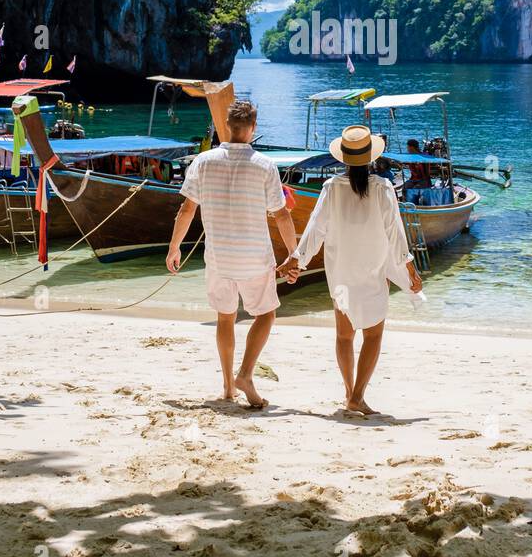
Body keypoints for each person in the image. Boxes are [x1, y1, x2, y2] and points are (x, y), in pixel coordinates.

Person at [279, 124, 422, 416]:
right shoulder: (382, 188)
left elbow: (315, 230)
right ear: (371, 157)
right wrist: (410, 268)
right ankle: (357, 396)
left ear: (343, 158)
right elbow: (395, 232)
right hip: (372, 273)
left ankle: (349, 394)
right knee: (372, 335)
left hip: (340, 275)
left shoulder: (331, 188)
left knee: (345, 336)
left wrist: (297, 259)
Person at [166, 99, 297, 409]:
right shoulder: (265, 165)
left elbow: (186, 209)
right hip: (254, 257)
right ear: (253, 128)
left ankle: (227, 387)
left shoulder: (203, 162)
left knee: (225, 318)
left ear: (227, 127)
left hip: (219, 257)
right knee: (265, 314)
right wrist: (293, 253)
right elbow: (281, 216)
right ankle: (246, 374)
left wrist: (174, 247)